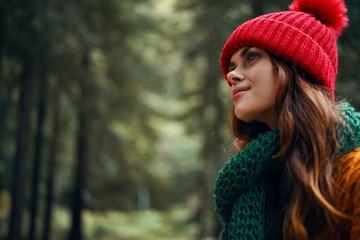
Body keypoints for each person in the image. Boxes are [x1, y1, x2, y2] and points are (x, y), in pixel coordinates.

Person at [213, 0, 360, 239]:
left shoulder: (354, 174)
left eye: (251, 57)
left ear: (296, 68)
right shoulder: (258, 180)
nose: (231, 75)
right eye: (232, 66)